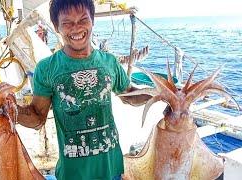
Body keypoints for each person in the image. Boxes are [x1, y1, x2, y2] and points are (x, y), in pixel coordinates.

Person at [17, 0, 151, 179]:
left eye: (83, 20)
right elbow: (37, 118)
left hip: (112, 170)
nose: (76, 28)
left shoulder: (109, 62)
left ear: (92, 20)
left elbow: (129, 95)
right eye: (67, 23)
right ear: (56, 27)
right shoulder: (47, 68)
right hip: (73, 174)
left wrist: (157, 94)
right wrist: (11, 110)